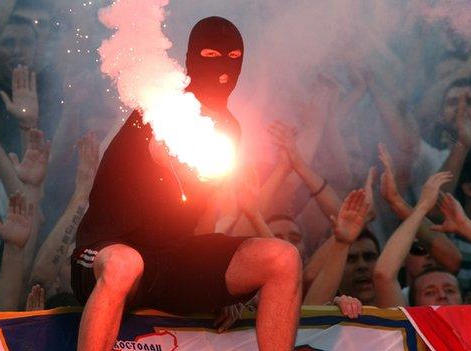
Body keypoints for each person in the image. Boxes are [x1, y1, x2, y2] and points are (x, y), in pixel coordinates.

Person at [72, 17, 301, 351]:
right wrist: (161, 157)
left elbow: (201, 213)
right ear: (193, 59)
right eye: (211, 55)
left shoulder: (229, 130)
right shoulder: (156, 109)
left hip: (171, 261)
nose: (224, 69)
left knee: (282, 258)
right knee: (126, 264)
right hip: (107, 252)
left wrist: (221, 285)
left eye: (234, 58)